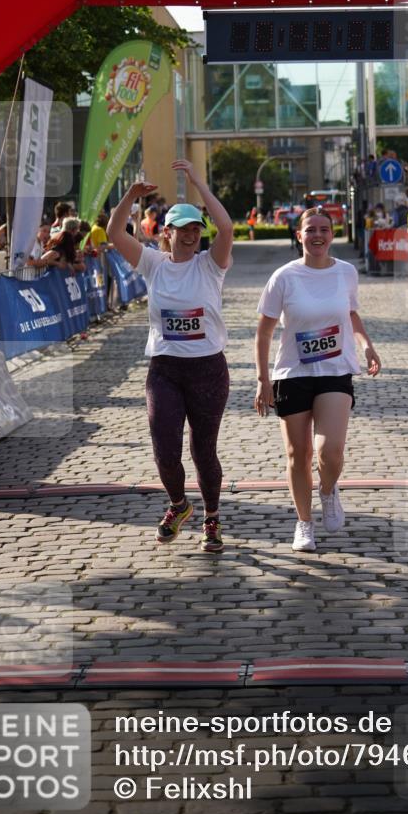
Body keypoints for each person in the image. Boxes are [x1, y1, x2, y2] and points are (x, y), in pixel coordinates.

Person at [107, 160, 234, 554]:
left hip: (208, 369)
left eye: (197, 229)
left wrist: (197, 182)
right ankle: (179, 506)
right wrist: (130, 196)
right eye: (185, 229)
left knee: (203, 450)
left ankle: (212, 518)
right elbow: (114, 232)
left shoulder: (211, 265)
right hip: (164, 369)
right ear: (168, 233)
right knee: (164, 447)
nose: (193, 235)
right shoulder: (153, 263)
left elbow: (226, 228)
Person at [254, 209, 381, 554]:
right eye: (311, 230)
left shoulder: (346, 272)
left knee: (331, 452)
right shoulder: (284, 277)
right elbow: (264, 332)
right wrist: (262, 379)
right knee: (299, 453)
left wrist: (366, 346)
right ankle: (304, 523)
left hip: (335, 370)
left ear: (332, 233)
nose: (318, 235)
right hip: (293, 373)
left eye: (325, 229)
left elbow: (351, 313)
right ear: (299, 236)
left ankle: (327, 490)